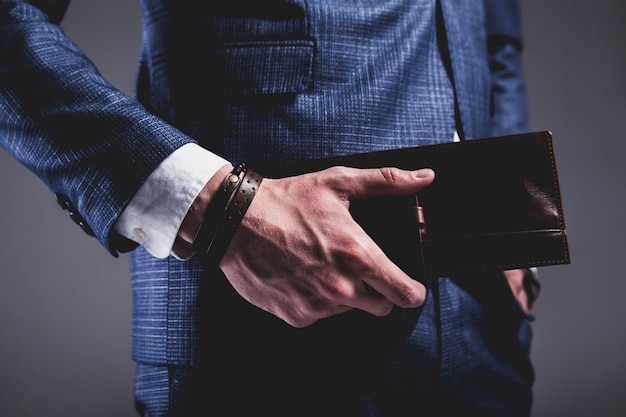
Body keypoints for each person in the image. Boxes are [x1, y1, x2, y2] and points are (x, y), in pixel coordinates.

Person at [0, 0, 539, 416]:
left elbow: (496, 41)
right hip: (254, 334)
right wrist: (219, 208)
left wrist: (517, 231)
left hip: (483, 328)